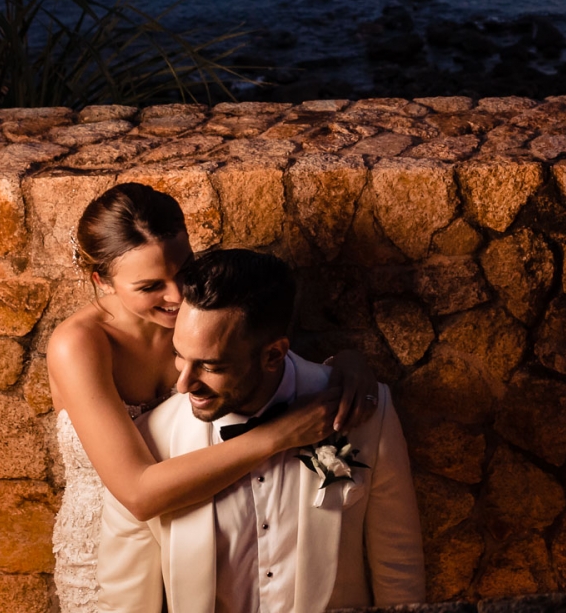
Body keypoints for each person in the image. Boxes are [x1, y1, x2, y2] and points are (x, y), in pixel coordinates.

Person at [48, 183, 379, 613]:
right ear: (101, 280)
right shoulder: (79, 345)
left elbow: (266, 359)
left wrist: (351, 364)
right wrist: (276, 437)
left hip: (199, 544)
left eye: (183, 270)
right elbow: (138, 493)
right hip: (111, 562)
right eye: (150, 286)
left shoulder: (199, 316)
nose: (176, 295)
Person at [98, 248, 426, 613]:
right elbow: (125, 602)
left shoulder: (365, 412)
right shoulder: (148, 445)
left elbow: (399, 571)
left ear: (273, 355)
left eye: (210, 365)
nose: (184, 384)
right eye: (180, 355)